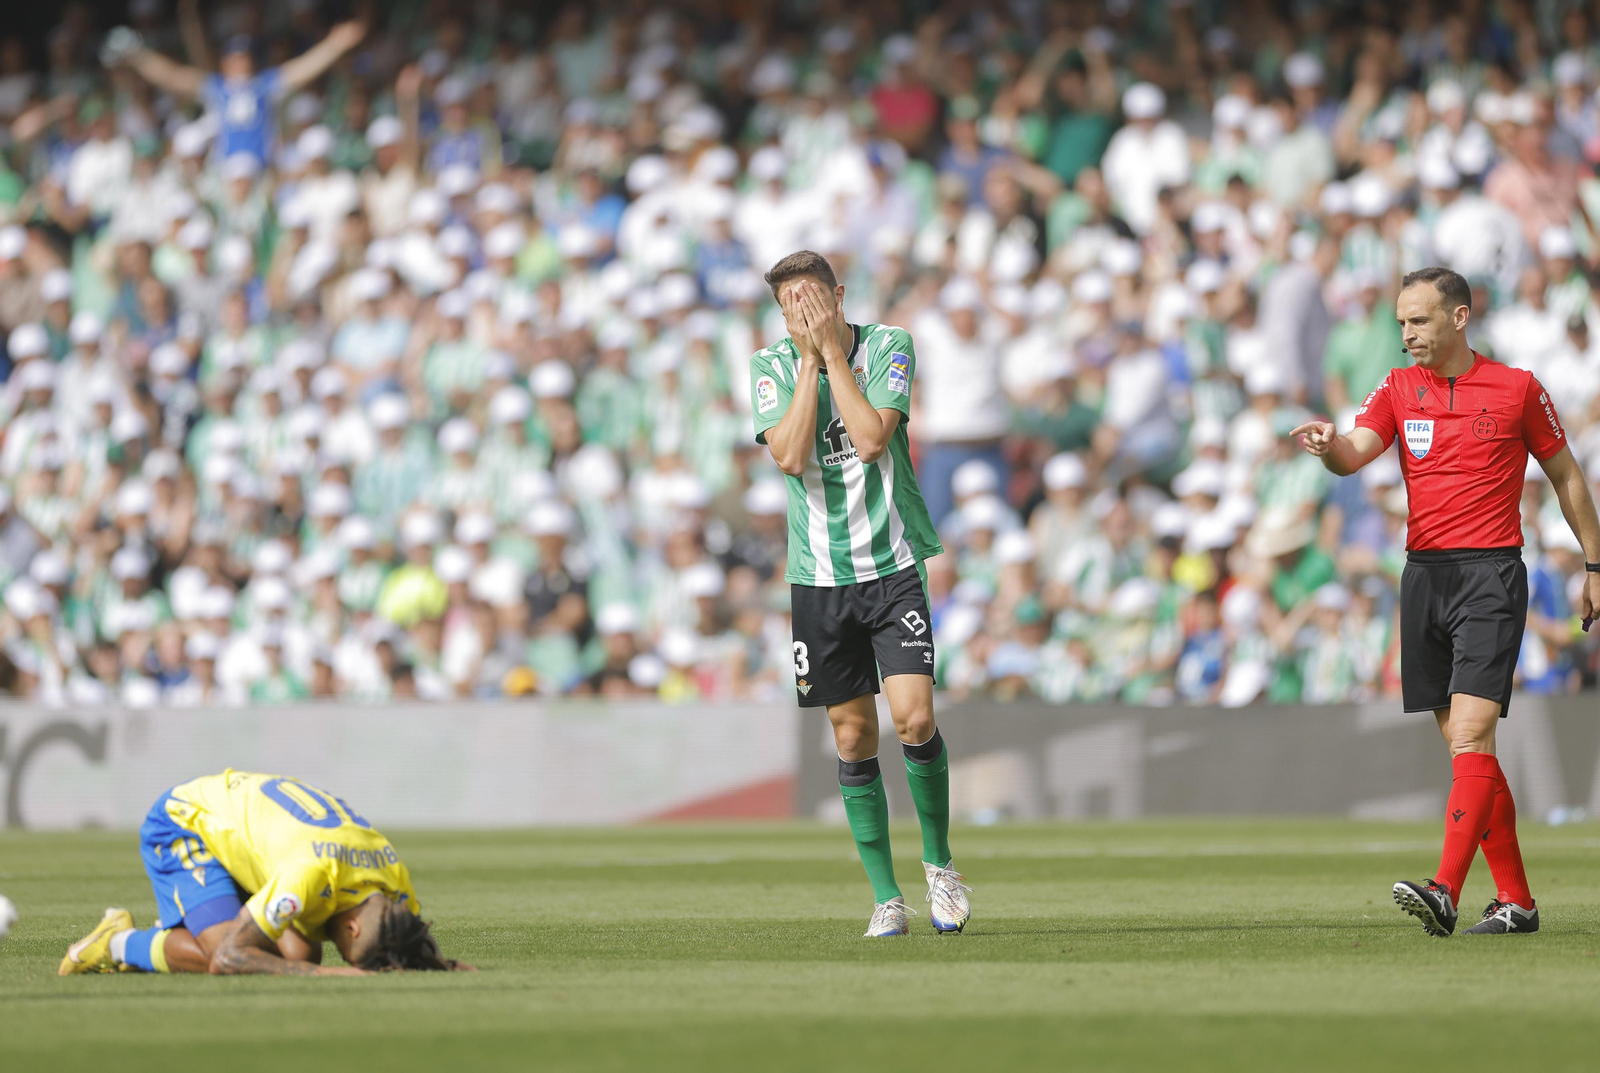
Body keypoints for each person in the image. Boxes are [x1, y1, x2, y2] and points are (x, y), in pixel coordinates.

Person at [1293, 266, 1600, 937]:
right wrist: (1326, 449)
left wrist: (1595, 560)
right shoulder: (1399, 388)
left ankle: (1445, 889)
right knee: (1471, 756)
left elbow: (1567, 474)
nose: (1408, 333)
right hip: (1423, 577)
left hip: (1490, 574)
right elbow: (1354, 453)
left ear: (1459, 317)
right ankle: (1517, 900)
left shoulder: (1517, 388)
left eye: (1420, 320)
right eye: (1402, 322)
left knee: (1470, 736)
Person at [749, 250, 969, 937]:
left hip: (892, 561)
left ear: (839, 296)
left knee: (915, 719)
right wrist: (810, 362)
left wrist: (832, 357)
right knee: (852, 734)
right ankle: (885, 895)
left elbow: (873, 438)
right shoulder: (769, 368)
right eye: (790, 306)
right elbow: (787, 454)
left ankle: (940, 864)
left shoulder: (887, 347)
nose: (802, 315)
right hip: (818, 576)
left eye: (812, 300)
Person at [59, 769, 470, 975]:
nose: (346, 959)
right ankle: (117, 942)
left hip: (255, 836)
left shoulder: (392, 884)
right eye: (351, 957)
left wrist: (438, 965)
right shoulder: (309, 876)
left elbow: (410, 939)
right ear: (355, 929)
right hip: (187, 821)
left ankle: (202, 918)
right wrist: (326, 976)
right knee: (217, 953)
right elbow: (230, 956)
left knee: (299, 950)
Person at [110, 17, 367, 166]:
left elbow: (301, 70)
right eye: (236, 58)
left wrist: (334, 46)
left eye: (246, 58)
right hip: (227, 172)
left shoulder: (264, 86)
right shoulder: (217, 88)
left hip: (261, 169)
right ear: (225, 63)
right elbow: (173, 76)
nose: (242, 64)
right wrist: (138, 57)